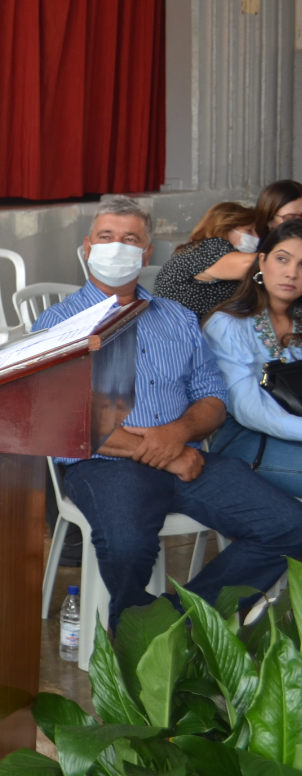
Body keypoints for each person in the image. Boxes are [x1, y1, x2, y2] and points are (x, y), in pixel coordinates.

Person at [33, 195, 302, 630]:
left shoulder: (177, 317)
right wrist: (162, 451)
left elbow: (213, 399)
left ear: (147, 253)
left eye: (130, 239)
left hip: (188, 455)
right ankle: (138, 638)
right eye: (106, 237)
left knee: (290, 527)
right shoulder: (56, 324)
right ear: (87, 247)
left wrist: (176, 435)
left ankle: (177, 625)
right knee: (127, 546)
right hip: (105, 463)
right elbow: (61, 418)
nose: (117, 247)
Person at [204, 220, 302, 499]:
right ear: (262, 261)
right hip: (245, 437)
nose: (291, 273)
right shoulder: (228, 324)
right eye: (282, 259)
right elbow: (249, 409)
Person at [154, 201, 258, 319]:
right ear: (226, 228)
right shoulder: (208, 248)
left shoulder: (196, 249)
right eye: (249, 231)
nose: (256, 237)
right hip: (180, 327)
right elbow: (251, 265)